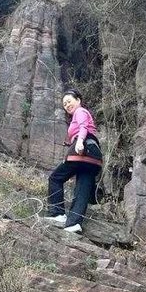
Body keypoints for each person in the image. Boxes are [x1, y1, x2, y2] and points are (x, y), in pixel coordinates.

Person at [45, 89, 102, 233]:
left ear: (78, 100)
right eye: (64, 104)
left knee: (55, 178)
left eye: (69, 101)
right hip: (94, 156)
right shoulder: (81, 113)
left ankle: (58, 213)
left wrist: (79, 141)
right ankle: (74, 223)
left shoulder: (80, 111)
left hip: (83, 150)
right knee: (82, 188)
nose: (67, 105)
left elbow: (83, 127)